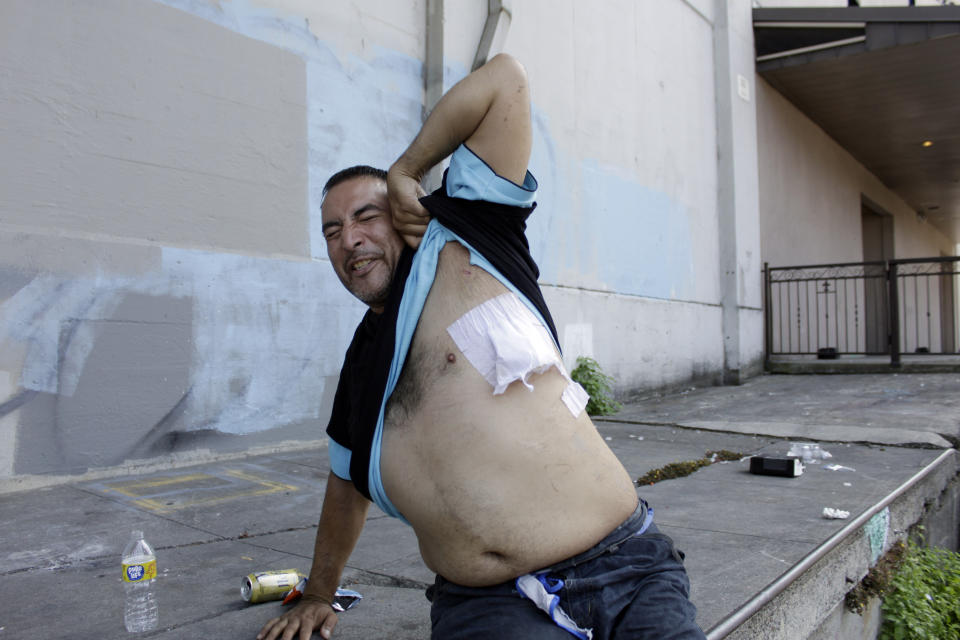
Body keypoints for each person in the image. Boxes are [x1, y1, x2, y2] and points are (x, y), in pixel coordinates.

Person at [257, 54, 705, 640]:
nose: (350, 240)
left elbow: (506, 80)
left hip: (625, 567)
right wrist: (319, 592)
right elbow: (345, 485)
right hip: (487, 608)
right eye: (332, 232)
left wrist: (407, 168)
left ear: (399, 214)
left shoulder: (470, 235)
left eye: (366, 216)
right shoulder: (360, 368)